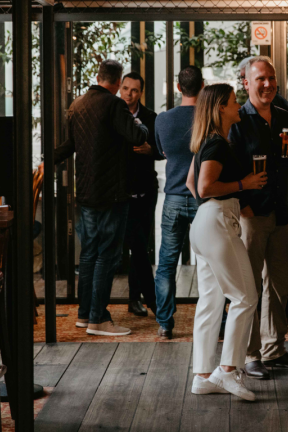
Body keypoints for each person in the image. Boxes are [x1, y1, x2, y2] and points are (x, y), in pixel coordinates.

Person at [229, 56, 288, 380]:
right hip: (252, 215)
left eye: (271, 78)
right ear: (246, 83)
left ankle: (273, 349)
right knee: (249, 287)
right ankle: (250, 355)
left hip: (281, 213)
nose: (267, 84)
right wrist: (243, 205)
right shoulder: (238, 120)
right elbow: (228, 167)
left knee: (280, 286)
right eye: (260, 79)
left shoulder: (283, 116)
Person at [54, 59, 148, 336]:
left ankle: (85, 314)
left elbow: (69, 145)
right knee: (107, 255)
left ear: (98, 76)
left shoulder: (78, 104)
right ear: (118, 82)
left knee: (89, 254)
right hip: (111, 194)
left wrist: (47, 160)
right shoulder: (114, 104)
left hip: (85, 192)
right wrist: (139, 124)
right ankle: (98, 318)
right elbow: (136, 136)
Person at [185, 83, 267, 401]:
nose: (239, 106)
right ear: (220, 107)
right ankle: (229, 370)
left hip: (206, 223)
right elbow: (204, 186)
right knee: (245, 297)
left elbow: (191, 183)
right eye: (234, 102)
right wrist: (241, 184)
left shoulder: (209, 141)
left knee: (211, 302)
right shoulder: (217, 144)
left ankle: (203, 376)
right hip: (217, 221)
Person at [153, 65, 204, 339]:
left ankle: (165, 323)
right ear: (203, 86)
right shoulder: (208, 118)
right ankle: (215, 319)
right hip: (202, 198)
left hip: (173, 197)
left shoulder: (163, 119)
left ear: (177, 87)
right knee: (210, 261)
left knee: (166, 263)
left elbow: (161, 151)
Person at [120, 71, 162, 317]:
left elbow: (162, 151)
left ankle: (135, 298)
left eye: (134, 90)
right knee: (133, 245)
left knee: (141, 246)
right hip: (122, 192)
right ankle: (149, 299)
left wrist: (151, 150)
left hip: (146, 191)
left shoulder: (151, 117)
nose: (129, 94)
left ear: (141, 93)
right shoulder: (115, 115)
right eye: (125, 88)